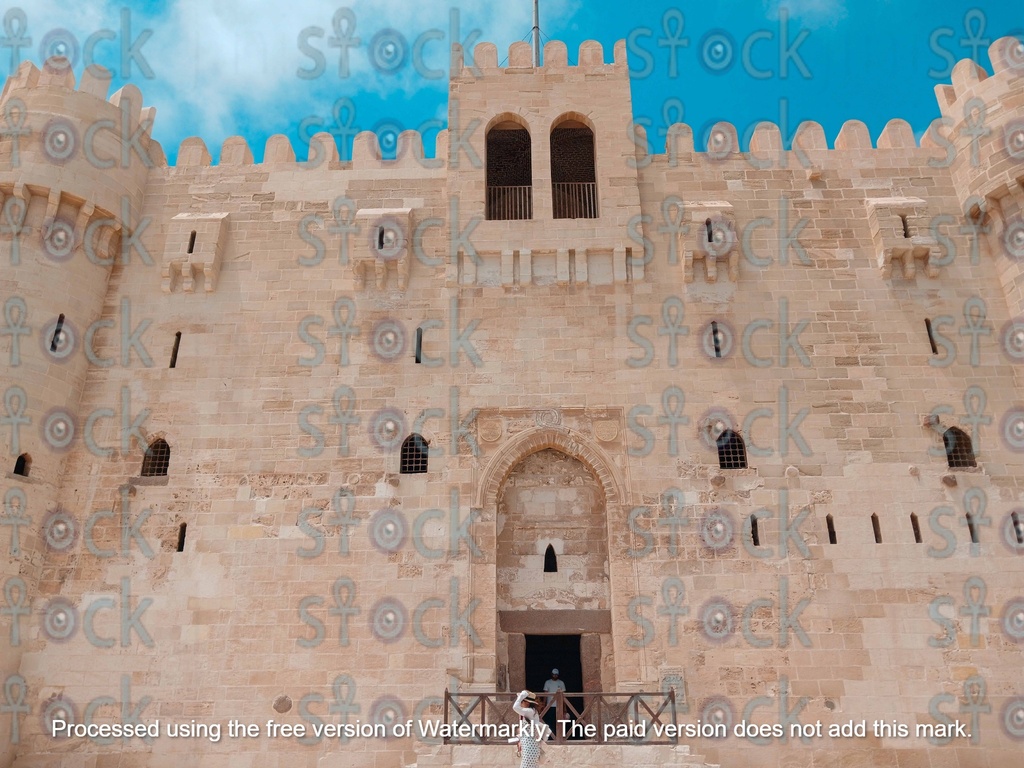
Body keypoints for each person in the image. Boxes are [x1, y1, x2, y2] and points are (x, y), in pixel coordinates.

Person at [512, 690, 548, 768]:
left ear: (527, 702)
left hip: (529, 747)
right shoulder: (532, 712)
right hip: (530, 746)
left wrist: (521, 696)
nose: (520, 702)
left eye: (522, 701)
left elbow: (515, 707)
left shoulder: (530, 711)